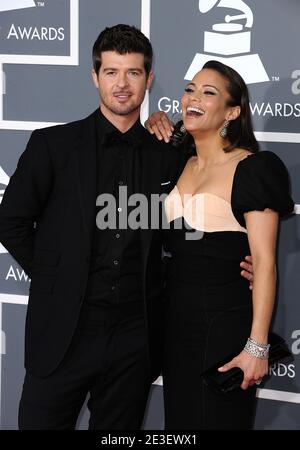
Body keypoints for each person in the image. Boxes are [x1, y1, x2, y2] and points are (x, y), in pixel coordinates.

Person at [0, 25, 253, 430]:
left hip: (136, 338)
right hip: (64, 330)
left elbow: (199, 222)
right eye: (111, 72)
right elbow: (10, 221)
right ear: (94, 77)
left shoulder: (168, 155)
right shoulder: (53, 145)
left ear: (149, 79)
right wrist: (56, 276)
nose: (122, 84)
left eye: (133, 73)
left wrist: (243, 267)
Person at [145, 60, 294, 429]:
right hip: (175, 322)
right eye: (190, 89)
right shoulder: (176, 161)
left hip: (225, 324)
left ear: (232, 111)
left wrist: (257, 347)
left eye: (208, 93)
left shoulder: (255, 168)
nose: (193, 98)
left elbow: (264, 263)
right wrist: (152, 124)